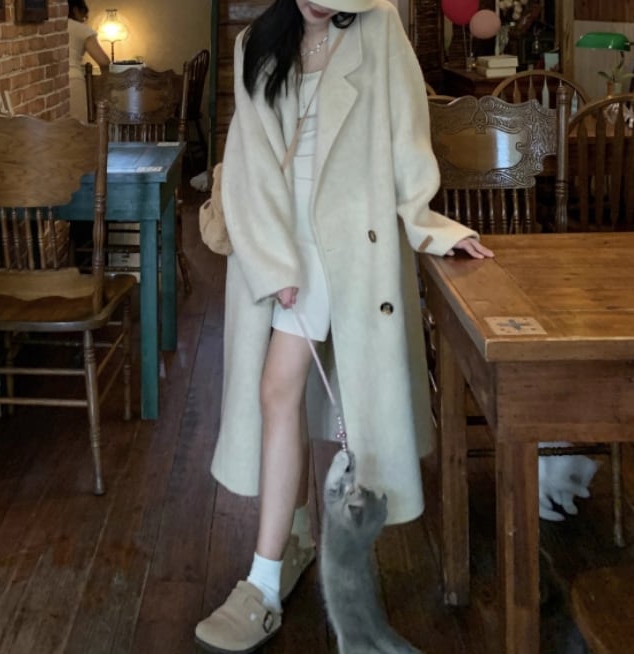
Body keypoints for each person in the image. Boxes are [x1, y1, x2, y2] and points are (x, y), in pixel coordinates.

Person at [194, 1, 493, 651]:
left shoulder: (380, 28)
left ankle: (263, 581)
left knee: (279, 390)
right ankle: (293, 541)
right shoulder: (257, 42)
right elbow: (247, 164)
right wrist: (274, 261)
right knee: (286, 397)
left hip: (349, 243)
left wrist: (430, 226)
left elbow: (407, 135)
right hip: (276, 241)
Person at [67, 0, 110, 122]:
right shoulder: (81, 29)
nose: (83, 20)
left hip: (51, 82)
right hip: (73, 79)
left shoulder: (50, 28)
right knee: (77, 126)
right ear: (75, 10)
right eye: (83, 16)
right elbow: (104, 61)